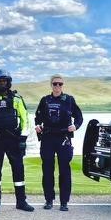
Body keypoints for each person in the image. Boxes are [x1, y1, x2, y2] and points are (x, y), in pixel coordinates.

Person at [0, 69, 34, 212]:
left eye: (4, 81)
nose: (2, 84)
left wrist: (23, 137)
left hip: (14, 139)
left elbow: (25, 119)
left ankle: (21, 201)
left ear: (8, 82)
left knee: (18, 170)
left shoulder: (16, 99)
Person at [35, 74, 83, 211]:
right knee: (47, 170)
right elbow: (37, 118)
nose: (57, 86)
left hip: (64, 139)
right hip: (48, 138)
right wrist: (37, 125)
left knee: (64, 171)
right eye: (55, 84)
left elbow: (79, 116)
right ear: (51, 85)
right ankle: (49, 200)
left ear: (63, 85)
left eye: (60, 84)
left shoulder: (69, 100)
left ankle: (64, 202)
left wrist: (76, 126)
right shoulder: (45, 100)